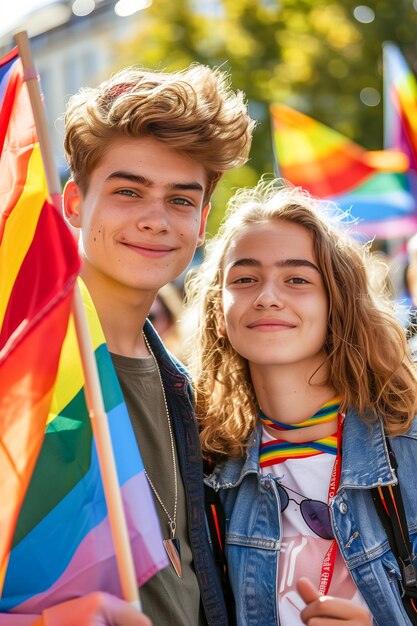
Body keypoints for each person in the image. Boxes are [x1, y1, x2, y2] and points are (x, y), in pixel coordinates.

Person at [2, 64, 255, 625]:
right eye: (127, 191)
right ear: (73, 202)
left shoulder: (188, 391)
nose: (156, 219)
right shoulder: (19, 374)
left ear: (202, 220)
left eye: (181, 200)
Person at [185, 178, 417, 626]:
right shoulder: (204, 465)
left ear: (339, 305)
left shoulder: (407, 443)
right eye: (246, 279)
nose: (268, 297)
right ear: (218, 313)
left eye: (297, 279)